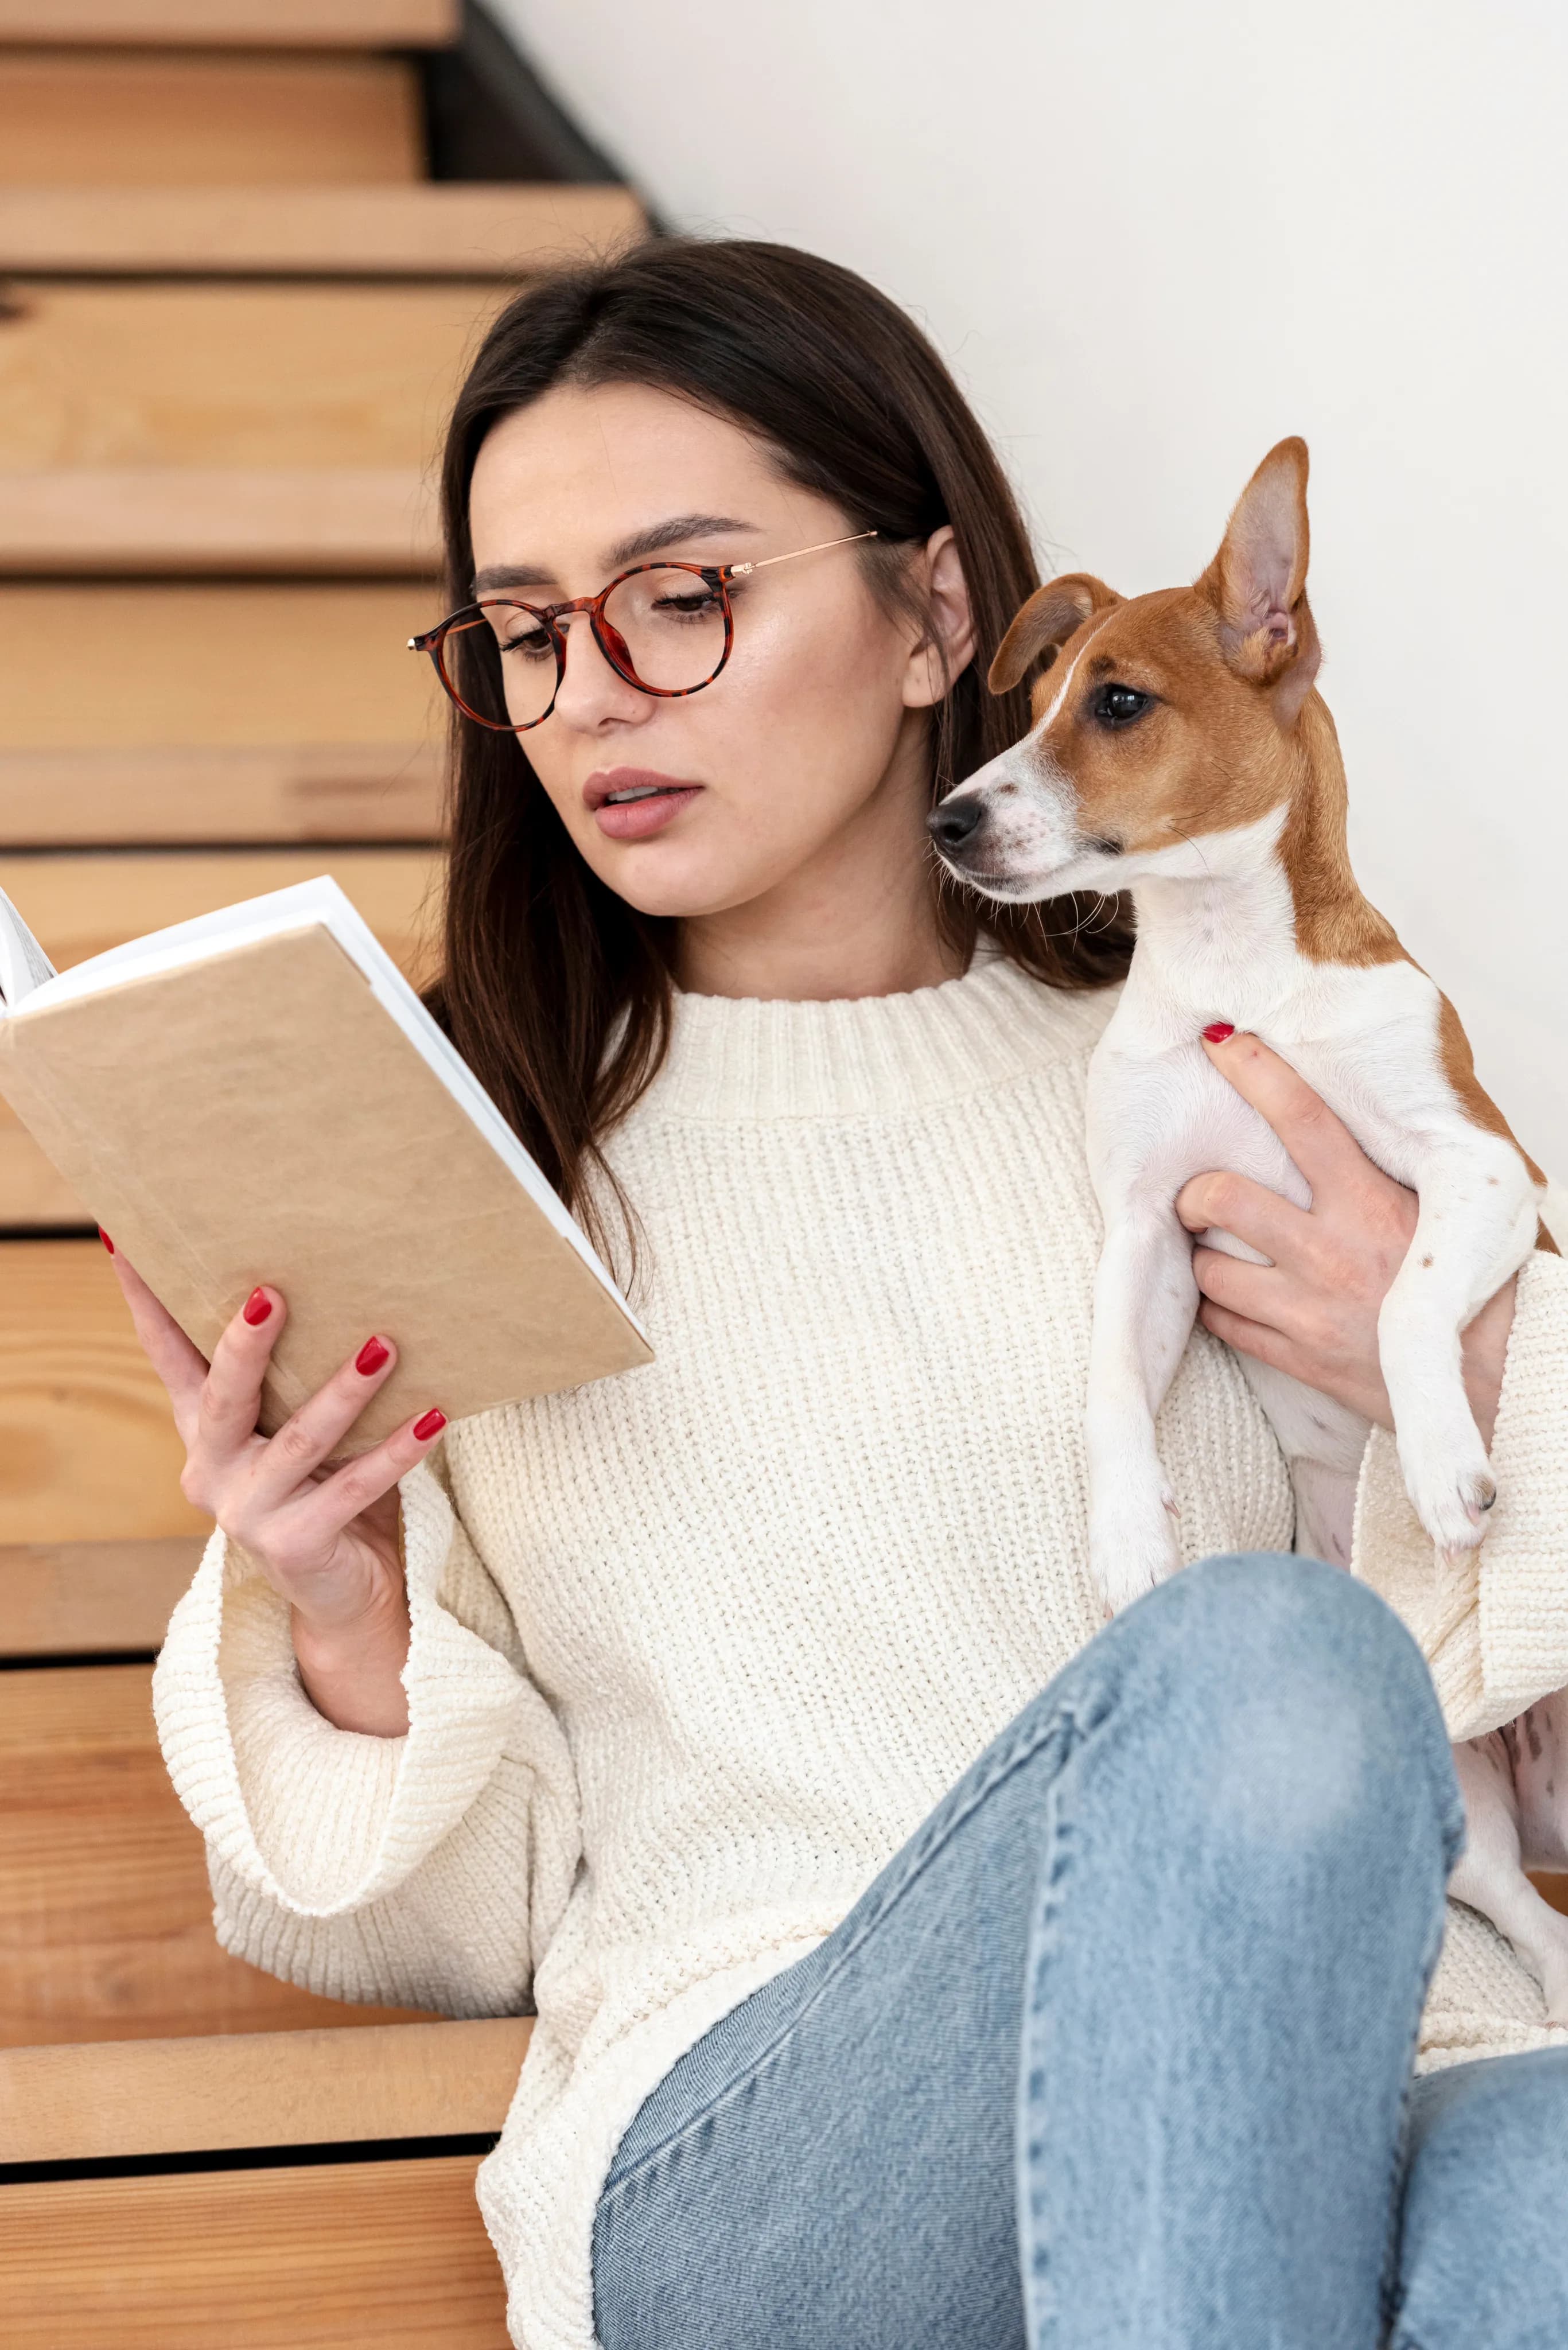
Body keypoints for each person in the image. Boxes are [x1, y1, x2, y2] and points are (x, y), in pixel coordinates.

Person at [122, 240, 1567, 2349]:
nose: (595, 690)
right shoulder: (482, 1170)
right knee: (1264, 1659)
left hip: (1396, 2062)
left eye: (683, 596)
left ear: (937, 618)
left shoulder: (1252, 1090)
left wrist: (1484, 1352)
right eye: (525, 636)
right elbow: (459, 1924)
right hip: (781, 2139)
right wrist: (346, 1614)